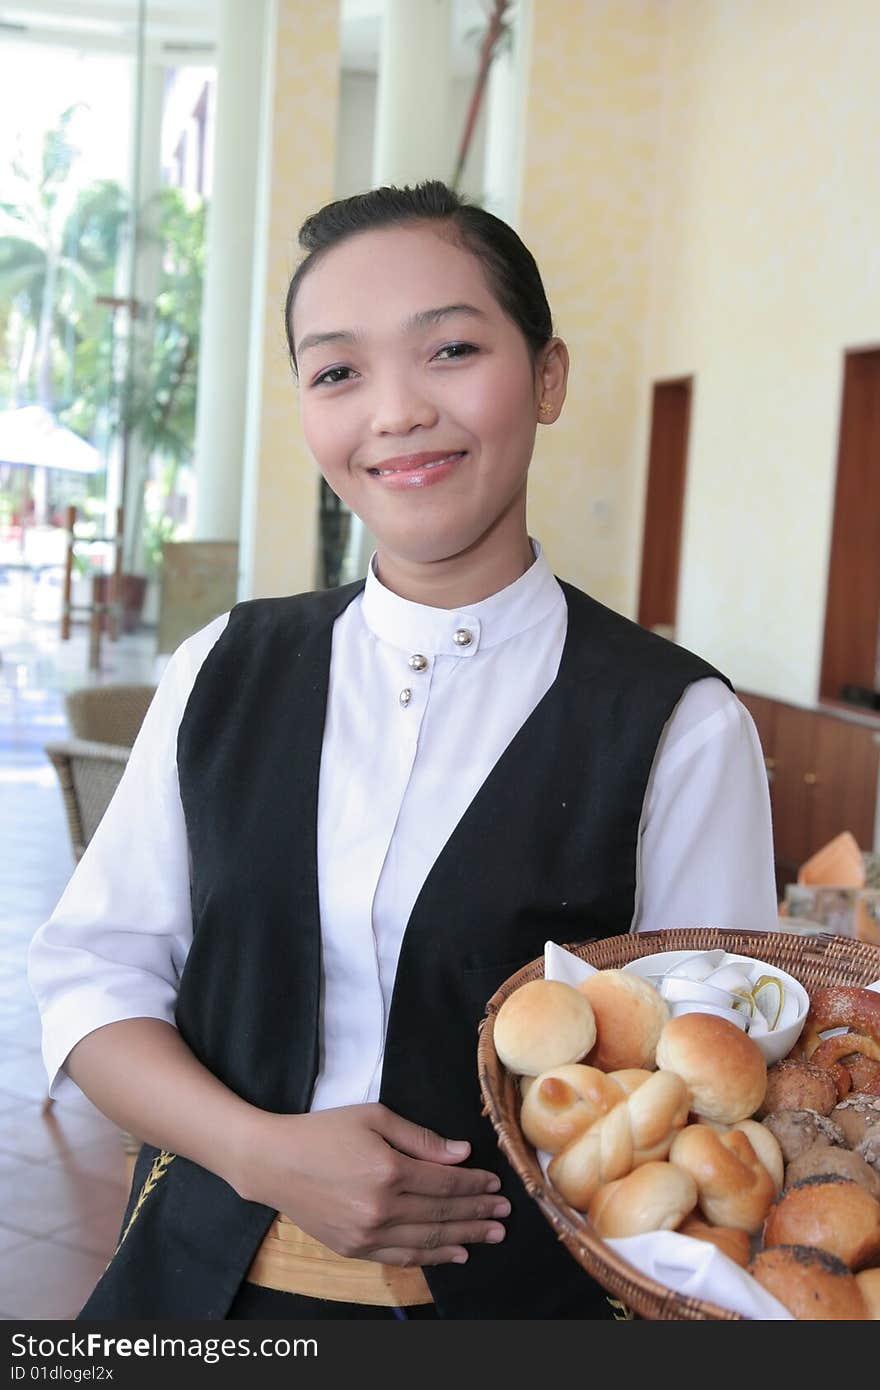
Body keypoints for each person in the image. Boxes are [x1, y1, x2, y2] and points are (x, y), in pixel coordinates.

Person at [28, 181, 777, 1321]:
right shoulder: (224, 665)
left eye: (450, 349)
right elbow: (96, 974)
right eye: (337, 371)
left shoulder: (677, 721)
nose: (395, 410)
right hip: (193, 1290)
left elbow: (717, 1090)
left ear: (547, 375)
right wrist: (256, 1150)